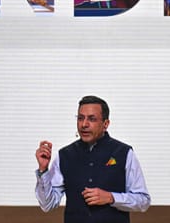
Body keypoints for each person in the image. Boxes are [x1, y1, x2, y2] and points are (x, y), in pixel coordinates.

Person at [35, 95, 151, 223]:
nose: (84, 124)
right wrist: (43, 170)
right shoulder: (65, 155)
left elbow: (143, 200)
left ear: (105, 124)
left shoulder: (124, 153)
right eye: (80, 118)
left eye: (92, 119)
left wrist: (111, 197)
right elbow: (47, 204)